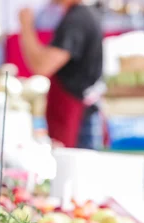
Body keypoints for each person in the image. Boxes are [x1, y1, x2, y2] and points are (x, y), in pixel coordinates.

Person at [19, 0, 104, 150]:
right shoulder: (79, 16)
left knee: (72, 169)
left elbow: (42, 66)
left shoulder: (77, 20)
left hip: (75, 116)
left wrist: (26, 26)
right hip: (73, 111)